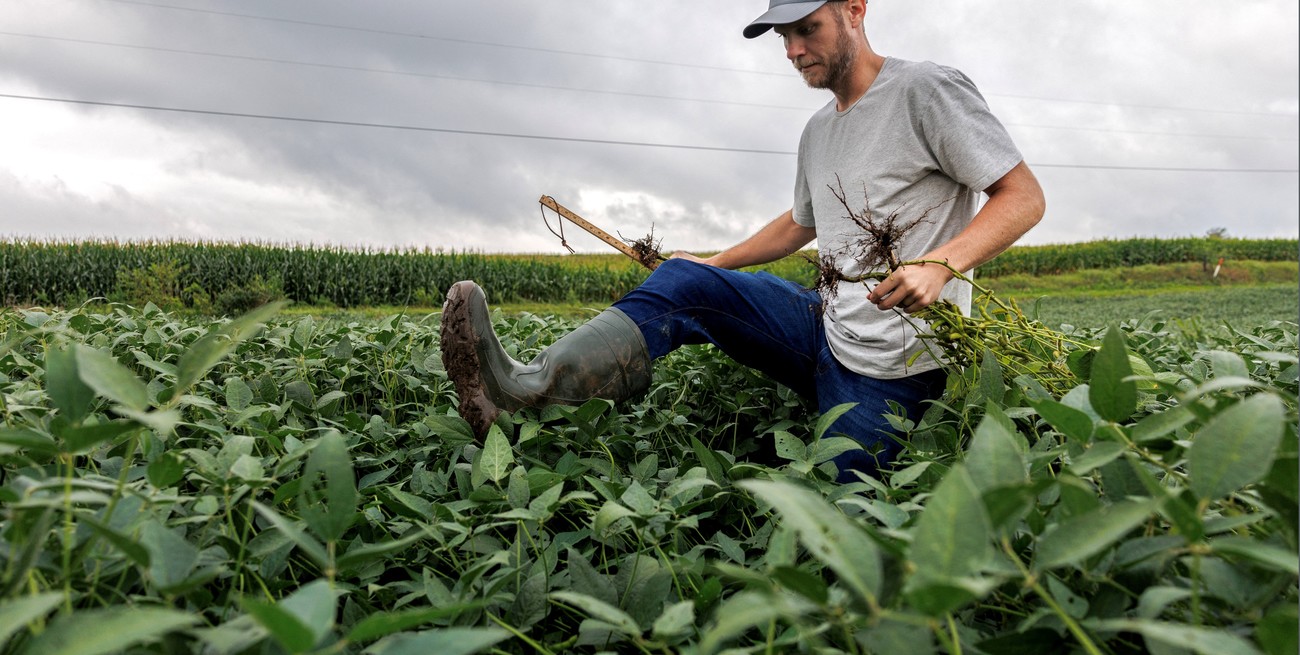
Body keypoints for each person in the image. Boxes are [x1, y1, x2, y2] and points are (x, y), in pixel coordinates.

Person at [440, 0, 1045, 482]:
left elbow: (1022, 196)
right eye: (784, 36)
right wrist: (715, 263)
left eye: (807, 29)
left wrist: (941, 263)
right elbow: (800, 223)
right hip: (824, 327)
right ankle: (526, 391)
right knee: (684, 284)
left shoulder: (926, 91)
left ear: (856, 9)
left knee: (849, 502)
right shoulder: (819, 129)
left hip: (894, 368)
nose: (794, 50)